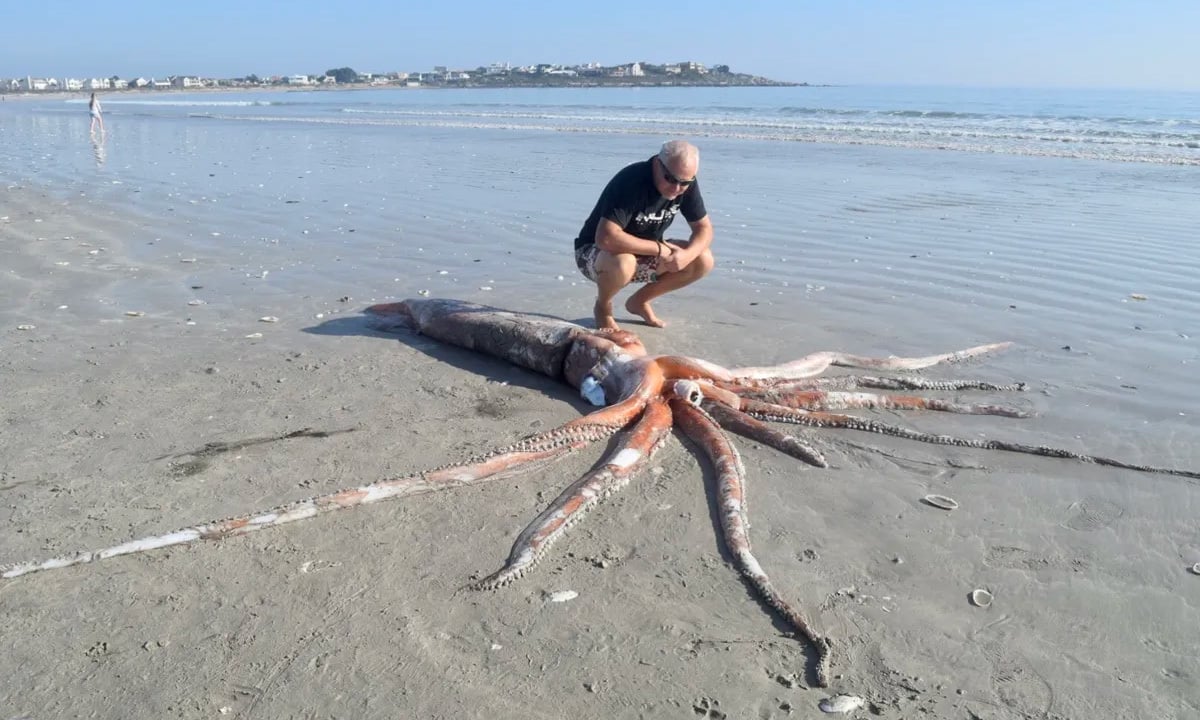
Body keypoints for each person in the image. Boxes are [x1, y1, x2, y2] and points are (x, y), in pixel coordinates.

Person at [573, 139, 714, 330]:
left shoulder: (684, 182)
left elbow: (704, 229)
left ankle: (639, 302)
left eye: (684, 183)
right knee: (624, 262)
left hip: (646, 254)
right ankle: (603, 307)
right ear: (657, 164)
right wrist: (659, 249)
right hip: (596, 256)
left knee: (703, 259)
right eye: (670, 179)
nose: (676, 189)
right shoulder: (632, 180)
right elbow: (606, 237)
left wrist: (687, 255)